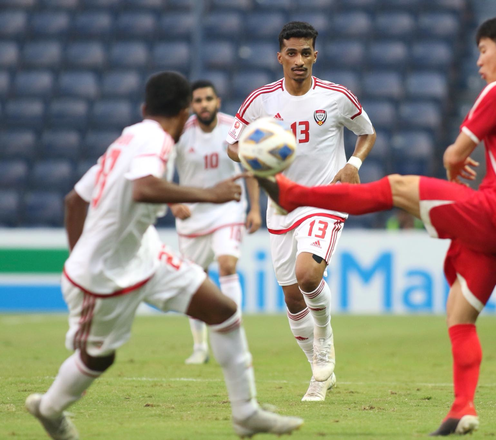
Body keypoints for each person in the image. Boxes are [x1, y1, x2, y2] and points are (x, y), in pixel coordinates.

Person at [255, 15, 496, 436]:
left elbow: (454, 154)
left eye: (483, 51)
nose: (479, 63)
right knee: (459, 314)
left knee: (398, 187)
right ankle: (463, 409)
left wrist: (455, 162)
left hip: (494, 211)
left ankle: (295, 195)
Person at [25, 72, 303, 439]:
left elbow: (74, 200)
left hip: (145, 252)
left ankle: (246, 412)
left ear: (145, 108)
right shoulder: (155, 139)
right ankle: (49, 409)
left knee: (222, 310)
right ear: (186, 111)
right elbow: (143, 188)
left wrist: (82, 252)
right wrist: (209, 195)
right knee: (98, 358)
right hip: (104, 276)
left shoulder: (129, 137)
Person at [226, 21, 377, 402]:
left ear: (315, 55)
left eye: (305, 52)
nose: (298, 60)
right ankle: (319, 373)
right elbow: (232, 143)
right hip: (282, 204)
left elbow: (367, 132)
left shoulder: (337, 97)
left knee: (307, 274)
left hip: (324, 199)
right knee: (293, 298)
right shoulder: (261, 100)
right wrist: (253, 154)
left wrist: (353, 166)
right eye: (291, 53)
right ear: (279, 57)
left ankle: (324, 338)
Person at [169, 80, 262, 365]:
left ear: (217, 101)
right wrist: (173, 202)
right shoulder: (180, 134)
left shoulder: (233, 128)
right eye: (198, 101)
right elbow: (159, 171)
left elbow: (253, 167)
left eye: (208, 99)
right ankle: (199, 347)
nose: (204, 105)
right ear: (191, 106)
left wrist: (255, 209)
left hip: (229, 209)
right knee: (195, 279)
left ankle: (235, 338)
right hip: (193, 214)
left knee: (227, 265)